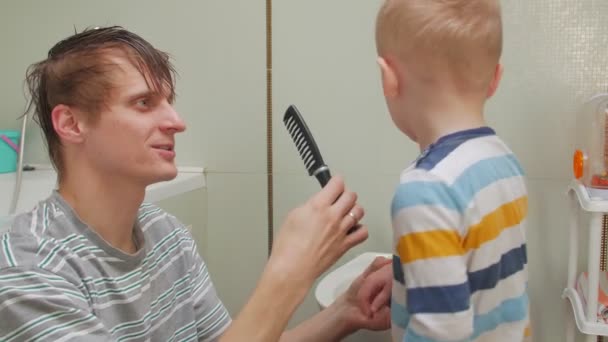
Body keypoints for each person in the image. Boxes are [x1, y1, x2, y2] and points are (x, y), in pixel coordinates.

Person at [0, 26, 390, 341]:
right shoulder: (29, 273)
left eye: (169, 101)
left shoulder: (167, 235)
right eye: (144, 103)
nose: (177, 122)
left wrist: (345, 312)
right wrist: (289, 272)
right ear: (71, 124)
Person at [364, 0, 532, 340]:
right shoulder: (503, 161)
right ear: (495, 79)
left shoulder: (425, 190)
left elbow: (441, 332)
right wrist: (409, 277)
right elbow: (484, 270)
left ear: (389, 80)